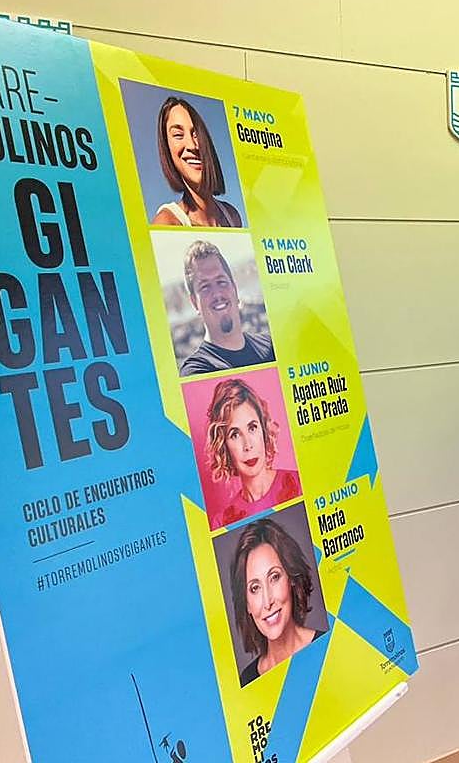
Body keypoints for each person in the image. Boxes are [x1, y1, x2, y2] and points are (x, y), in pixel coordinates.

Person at [230, 518, 319, 686]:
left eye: (274, 577)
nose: (267, 601)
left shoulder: (327, 643)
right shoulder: (247, 679)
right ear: (247, 604)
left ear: (291, 578)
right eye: (255, 588)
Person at [205, 377, 301, 530]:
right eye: (235, 434)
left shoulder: (300, 483)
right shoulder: (222, 523)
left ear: (264, 430)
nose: (247, 445)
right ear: (224, 446)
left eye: (252, 428)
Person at [179, 240, 274, 376]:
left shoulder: (269, 346)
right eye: (205, 287)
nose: (217, 293)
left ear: (234, 290)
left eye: (221, 282)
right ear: (194, 303)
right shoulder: (197, 371)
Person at [151, 96, 243, 227]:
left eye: (196, 135)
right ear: (167, 149)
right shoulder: (167, 222)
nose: (192, 145)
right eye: (178, 135)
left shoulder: (232, 216)